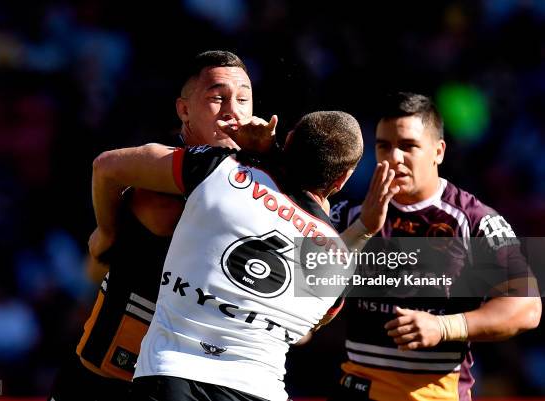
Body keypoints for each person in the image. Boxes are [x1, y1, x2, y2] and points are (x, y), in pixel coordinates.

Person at [91, 110, 399, 401]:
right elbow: (304, 331)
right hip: (260, 390)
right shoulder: (340, 262)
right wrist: (363, 230)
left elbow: (108, 165)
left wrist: (106, 233)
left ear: (289, 138)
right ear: (342, 180)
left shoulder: (219, 169)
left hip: (170, 375)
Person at [48, 50, 276, 401]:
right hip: (113, 371)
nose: (234, 110)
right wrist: (106, 231)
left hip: (197, 377)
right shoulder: (166, 169)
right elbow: (105, 167)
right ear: (184, 110)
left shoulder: (264, 176)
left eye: (244, 99)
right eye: (218, 98)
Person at [326, 92, 542, 401]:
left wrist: (443, 326)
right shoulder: (347, 213)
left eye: (408, 146)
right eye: (383, 146)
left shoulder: (475, 220)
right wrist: (361, 231)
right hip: (355, 389)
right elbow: (304, 289)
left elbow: (527, 307)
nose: (393, 158)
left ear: (438, 151)